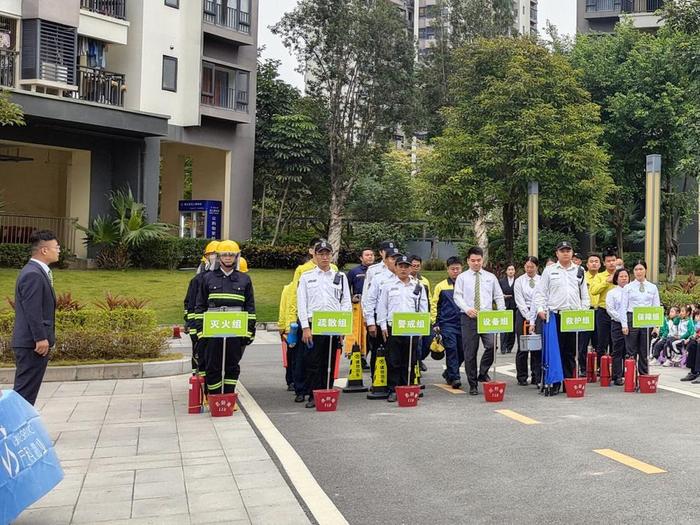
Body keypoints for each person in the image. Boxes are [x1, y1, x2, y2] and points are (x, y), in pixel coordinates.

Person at [194, 240, 256, 397]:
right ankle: (214, 396)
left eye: (231, 254)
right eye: (224, 254)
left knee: (232, 365)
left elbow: (250, 308)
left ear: (236, 257)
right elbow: (200, 307)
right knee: (213, 365)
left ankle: (228, 396)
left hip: (235, 330)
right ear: (218, 256)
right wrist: (201, 331)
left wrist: (249, 332)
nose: (228, 257)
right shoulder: (207, 278)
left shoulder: (244, 279)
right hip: (213, 330)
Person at [296, 241, 351, 408]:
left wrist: (343, 327)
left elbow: (346, 302)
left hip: (333, 324)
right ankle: (314, 394)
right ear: (315, 255)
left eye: (327, 254)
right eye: (321, 254)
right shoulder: (307, 277)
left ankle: (328, 391)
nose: (325, 257)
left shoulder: (340, 277)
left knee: (330, 360)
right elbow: (301, 303)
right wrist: (305, 327)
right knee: (313, 361)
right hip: (314, 325)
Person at [11, 230, 59, 405]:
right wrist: (40, 338)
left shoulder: (37, 272)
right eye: (56, 247)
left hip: (32, 343)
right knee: (24, 395)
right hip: (32, 344)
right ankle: (11, 429)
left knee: (26, 394)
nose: (59, 250)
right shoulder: (33, 274)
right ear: (44, 250)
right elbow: (33, 310)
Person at [533, 241, 590, 386]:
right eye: (562, 250)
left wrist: (583, 311)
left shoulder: (579, 271)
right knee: (555, 350)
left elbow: (584, 294)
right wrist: (540, 309)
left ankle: (568, 382)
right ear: (557, 253)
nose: (565, 253)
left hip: (572, 316)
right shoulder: (550, 270)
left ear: (572, 253)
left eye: (568, 250)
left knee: (571, 351)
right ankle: (554, 382)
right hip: (555, 315)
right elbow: (541, 293)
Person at [454, 246, 506, 396]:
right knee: (470, 352)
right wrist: (466, 308)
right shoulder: (462, 277)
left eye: (479, 260)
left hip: (487, 317)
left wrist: (501, 313)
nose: (476, 263)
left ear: (483, 260)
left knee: (491, 346)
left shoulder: (490, 277)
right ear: (468, 261)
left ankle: (483, 372)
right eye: (473, 261)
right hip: (468, 317)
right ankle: (473, 384)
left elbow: (498, 296)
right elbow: (457, 296)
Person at [376, 254, 428, 402]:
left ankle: (408, 387)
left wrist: (422, 328)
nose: (404, 270)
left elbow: (423, 308)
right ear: (395, 267)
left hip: (411, 328)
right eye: (401, 266)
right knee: (393, 360)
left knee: (410, 360)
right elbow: (382, 307)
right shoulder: (388, 285)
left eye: (406, 267)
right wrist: (383, 325)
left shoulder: (418, 286)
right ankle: (393, 389)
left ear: (411, 268)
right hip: (394, 328)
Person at [362, 244, 400, 387]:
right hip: (379, 317)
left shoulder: (404, 274)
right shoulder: (376, 273)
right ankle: (377, 381)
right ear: (385, 259)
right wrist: (369, 320)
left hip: (397, 319)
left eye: (397, 257)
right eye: (392, 258)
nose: (395, 260)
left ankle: (394, 383)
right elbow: (368, 297)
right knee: (378, 349)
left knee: (395, 353)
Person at [184, 240, 219, 375]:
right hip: (200, 326)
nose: (215, 257)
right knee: (200, 356)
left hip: (217, 326)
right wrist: (193, 327)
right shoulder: (198, 280)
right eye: (212, 254)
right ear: (206, 257)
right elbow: (190, 304)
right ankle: (198, 382)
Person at [620, 260, 661, 377]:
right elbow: (623, 307)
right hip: (632, 318)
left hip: (646, 319)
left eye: (641, 269)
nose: (638, 272)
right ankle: (630, 377)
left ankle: (643, 375)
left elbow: (656, 306)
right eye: (636, 269)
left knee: (644, 350)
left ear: (645, 270)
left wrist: (656, 326)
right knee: (631, 350)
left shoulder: (652, 287)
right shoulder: (628, 287)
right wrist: (624, 325)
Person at [431, 256, 464, 388]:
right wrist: (435, 323)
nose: (455, 271)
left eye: (458, 269)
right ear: (448, 270)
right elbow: (434, 305)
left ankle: (449, 372)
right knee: (452, 350)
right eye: (452, 269)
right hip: (447, 324)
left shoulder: (467, 285)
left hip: (463, 323)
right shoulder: (441, 286)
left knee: (463, 351)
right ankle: (455, 377)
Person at [513, 256, 541, 386]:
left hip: (538, 313)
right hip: (523, 314)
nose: (529, 269)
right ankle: (522, 376)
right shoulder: (519, 281)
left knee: (537, 346)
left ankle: (537, 375)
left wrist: (534, 317)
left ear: (537, 267)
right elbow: (519, 301)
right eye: (527, 267)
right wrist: (529, 317)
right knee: (523, 346)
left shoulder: (541, 280)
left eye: (532, 267)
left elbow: (541, 299)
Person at [345, 248, 375, 367]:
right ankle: (357, 357)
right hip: (358, 304)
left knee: (370, 333)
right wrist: (351, 298)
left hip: (372, 304)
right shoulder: (354, 272)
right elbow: (346, 288)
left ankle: (369, 356)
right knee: (358, 333)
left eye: (372, 255)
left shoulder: (377, 271)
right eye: (367, 255)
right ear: (361, 258)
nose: (370, 257)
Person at [589, 250, 618, 363]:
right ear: (604, 263)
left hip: (618, 313)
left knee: (616, 341)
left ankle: (615, 370)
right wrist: (607, 281)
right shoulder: (600, 276)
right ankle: (602, 369)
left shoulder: (621, 275)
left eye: (613, 260)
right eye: (608, 261)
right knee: (602, 341)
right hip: (603, 311)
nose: (611, 263)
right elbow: (593, 291)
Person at [606, 267, 630, 385]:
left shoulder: (632, 291)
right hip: (617, 323)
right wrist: (622, 319)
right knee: (617, 349)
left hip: (630, 324)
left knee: (629, 349)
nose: (624, 278)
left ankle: (629, 374)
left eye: (626, 276)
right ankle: (617, 375)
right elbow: (610, 309)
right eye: (621, 276)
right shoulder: (612, 293)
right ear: (616, 278)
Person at [578, 253, 601, 375]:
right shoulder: (581, 277)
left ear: (600, 264)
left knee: (599, 342)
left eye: (596, 261)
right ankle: (582, 368)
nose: (594, 263)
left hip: (599, 311)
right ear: (587, 264)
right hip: (585, 312)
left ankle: (599, 368)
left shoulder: (603, 277)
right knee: (583, 342)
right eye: (591, 261)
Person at [409, 255, 431, 371]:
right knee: (416, 344)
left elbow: (428, 299)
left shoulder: (424, 281)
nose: (416, 268)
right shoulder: (406, 280)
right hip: (409, 317)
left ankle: (420, 359)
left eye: (418, 266)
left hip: (422, 315)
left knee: (427, 341)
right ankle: (416, 364)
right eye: (413, 265)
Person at [278, 282, 295, 391]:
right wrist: (282, 327)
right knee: (292, 356)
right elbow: (283, 308)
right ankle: (291, 380)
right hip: (291, 329)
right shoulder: (288, 289)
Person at [498, 263, 517, 354]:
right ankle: (503, 347)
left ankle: (510, 347)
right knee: (504, 327)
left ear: (514, 271)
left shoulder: (518, 281)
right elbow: (497, 293)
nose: (511, 271)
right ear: (506, 271)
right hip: (504, 306)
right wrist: (503, 296)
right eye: (509, 269)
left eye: (512, 269)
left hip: (515, 306)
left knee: (512, 328)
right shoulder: (501, 281)